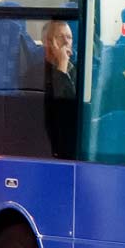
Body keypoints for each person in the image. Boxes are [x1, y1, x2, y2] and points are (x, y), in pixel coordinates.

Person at [39, 20, 79, 159]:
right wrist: (62, 64)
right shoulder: (38, 70)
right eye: (60, 37)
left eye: (69, 37)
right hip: (52, 141)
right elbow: (59, 106)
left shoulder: (77, 69)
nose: (66, 42)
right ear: (48, 43)